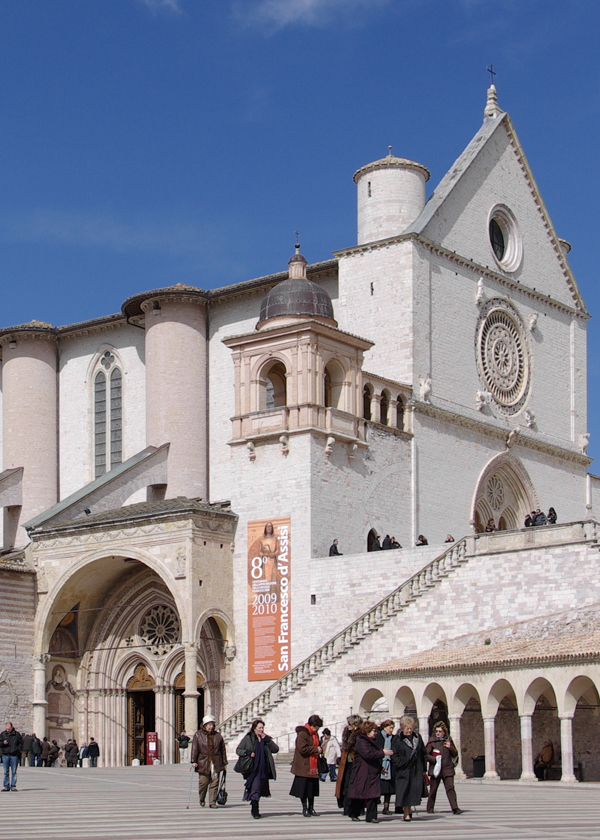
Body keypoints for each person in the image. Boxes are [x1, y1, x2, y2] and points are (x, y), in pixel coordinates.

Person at [348, 720, 393, 823]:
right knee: (359, 793)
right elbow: (368, 754)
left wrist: (380, 768)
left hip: (372, 772)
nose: (375, 732)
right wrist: (383, 752)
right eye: (373, 730)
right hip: (362, 772)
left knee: (374, 794)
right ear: (367, 731)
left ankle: (372, 816)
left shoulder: (373, 741)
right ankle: (354, 813)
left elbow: (374, 757)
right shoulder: (361, 741)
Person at [236, 718, 279, 819]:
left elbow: (275, 749)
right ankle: (255, 810)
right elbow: (238, 750)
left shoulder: (265, 739)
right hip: (253, 768)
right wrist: (248, 753)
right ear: (254, 728)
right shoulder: (248, 738)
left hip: (263, 768)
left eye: (262, 728)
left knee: (259, 788)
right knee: (255, 787)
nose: (261, 730)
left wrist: (268, 740)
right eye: (259, 728)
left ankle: (254, 803)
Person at [392, 716, 427, 821]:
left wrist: (424, 768)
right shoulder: (397, 739)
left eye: (411, 728)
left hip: (416, 770)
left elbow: (423, 753)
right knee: (405, 791)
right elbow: (394, 755)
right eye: (407, 728)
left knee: (413, 792)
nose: (409, 730)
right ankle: (406, 813)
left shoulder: (418, 737)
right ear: (402, 728)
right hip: (404, 770)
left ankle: (409, 810)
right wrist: (400, 764)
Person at [191, 714, 228, 808]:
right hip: (203, 762)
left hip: (216, 762)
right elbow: (195, 748)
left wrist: (224, 762)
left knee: (215, 783)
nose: (211, 727)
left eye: (212, 725)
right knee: (203, 783)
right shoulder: (198, 735)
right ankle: (202, 798)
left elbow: (222, 750)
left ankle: (212, 802)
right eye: (209, 725)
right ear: (204, 725)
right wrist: (193, 761)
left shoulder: (218, 736)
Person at [290, 714, 323, 817]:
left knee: (312, 789)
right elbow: (302, 749)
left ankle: (311, 808)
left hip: (313, 766)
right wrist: (315, 749)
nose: (317, 729)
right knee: (303, 789)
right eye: (317, 727)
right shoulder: (303, 734)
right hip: (304, 766)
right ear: (313, 725)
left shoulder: (315, 734)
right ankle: (304, 808)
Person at [425, 721, 462, 814]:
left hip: (447, 769)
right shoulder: (432, 741)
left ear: (444, 732)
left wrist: (450, 747)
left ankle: (455, 808)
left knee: (450, 788)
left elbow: (455, 753)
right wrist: (434, 759)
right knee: (433, 789)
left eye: (440, 731)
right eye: (436, 731)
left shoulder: (448, 740)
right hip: (436, 769)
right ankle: (430, 807)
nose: (438, 733)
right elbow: (425, 755)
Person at [375, 719, 395, 815]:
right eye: (389, 728)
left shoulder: (393, 738)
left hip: (389, 765)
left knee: (388, 789)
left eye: (392, 728)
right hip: (379, 764)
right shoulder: (378, 737)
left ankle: (386, 808)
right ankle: (374, 807)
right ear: (384, 727)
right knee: (377, 788)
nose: (391, 730)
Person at [0, 722, 22, 791]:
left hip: (14, 755)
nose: (7, 730)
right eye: (6, 729)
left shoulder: (17, 734)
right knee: (6, 772)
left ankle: (13, 786)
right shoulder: (3, 734)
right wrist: (3, 743)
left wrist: (17, 749)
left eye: (9, 729)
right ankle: (6, 786)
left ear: (12, 727)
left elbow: (21, 743)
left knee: (13, 772)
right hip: (6, 754)